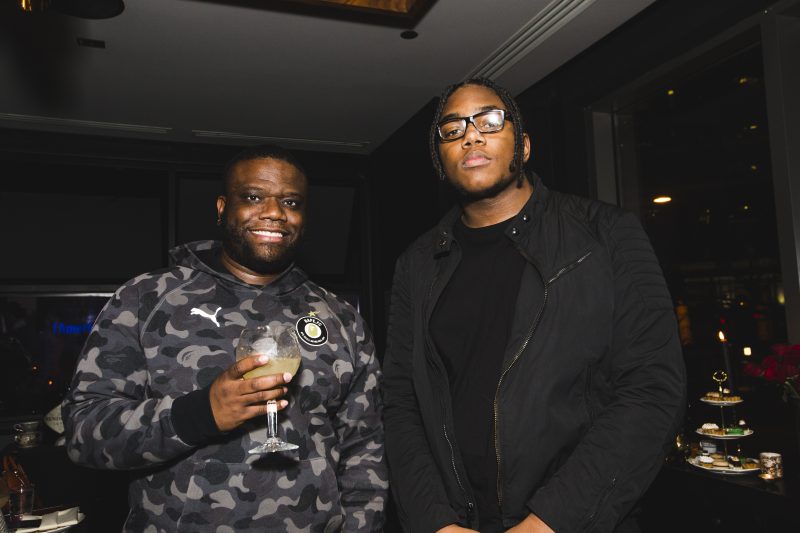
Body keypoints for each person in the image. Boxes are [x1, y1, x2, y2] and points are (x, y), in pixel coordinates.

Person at [382, 78, 686, 533]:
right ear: (440, 161)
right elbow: (400, 402)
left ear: (523, 146)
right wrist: (434, 521)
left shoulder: (606, 235)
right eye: (453, 129)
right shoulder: (416, 264)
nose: (471, 135)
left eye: (490, 121)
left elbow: (653, 389)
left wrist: (548, 522)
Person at [62, 145, 387, 532]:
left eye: (291, 202)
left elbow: (365, 449)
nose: (274, 212)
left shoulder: (341, 318)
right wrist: (200, 414)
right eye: (253, 197)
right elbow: (83, 432)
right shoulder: (146, 297)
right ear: (222, 207)